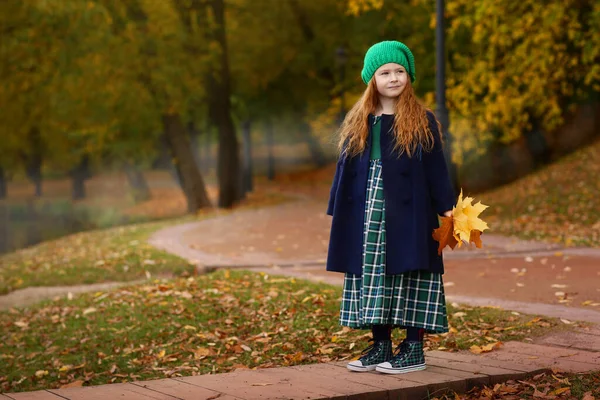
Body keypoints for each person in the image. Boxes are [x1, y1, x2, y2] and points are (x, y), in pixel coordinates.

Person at [326, 40, 455, 374]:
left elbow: (436, 166)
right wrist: (337, 206)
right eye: (385, 72)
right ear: (372, 78)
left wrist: (446, 207)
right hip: (367, 206)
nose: (394, 78)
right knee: (371, 270)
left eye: (400, 71)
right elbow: (345, 167)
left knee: (413, 269)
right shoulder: (359, 119)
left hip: (411, 209)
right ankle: (380, 343)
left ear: (408, 76)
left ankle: (413, 347)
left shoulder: (422, 119)